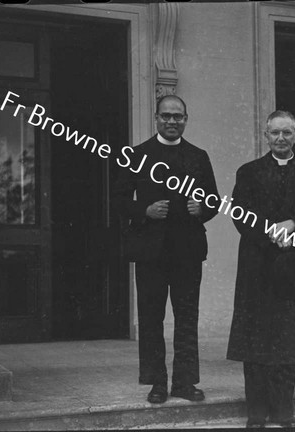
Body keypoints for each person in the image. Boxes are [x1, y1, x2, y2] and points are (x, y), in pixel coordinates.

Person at [227, 110, 295, 428]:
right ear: (266, 136)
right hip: (257, 265)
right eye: (275, 133)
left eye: (287, 133)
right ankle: (256, 411)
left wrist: (293, 225)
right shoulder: (249, 172)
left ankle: (284, 409)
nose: (281, 139)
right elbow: (239, 213)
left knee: (289, 341)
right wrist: (271, 233)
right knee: (255, 341)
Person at [113, 95, 219, 404]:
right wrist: (144, 210)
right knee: (151, 318)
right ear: (156, 118)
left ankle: (185, 383)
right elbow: (118, 200)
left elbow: (214, 200)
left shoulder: (199, 156)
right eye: (166, 116)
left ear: (186, 119)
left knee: (186, 318)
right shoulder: (137, 154)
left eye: (178, 116)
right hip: (151, 251)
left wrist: (202, 208)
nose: (172, 121)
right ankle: (157, 383)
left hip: (187, 250)